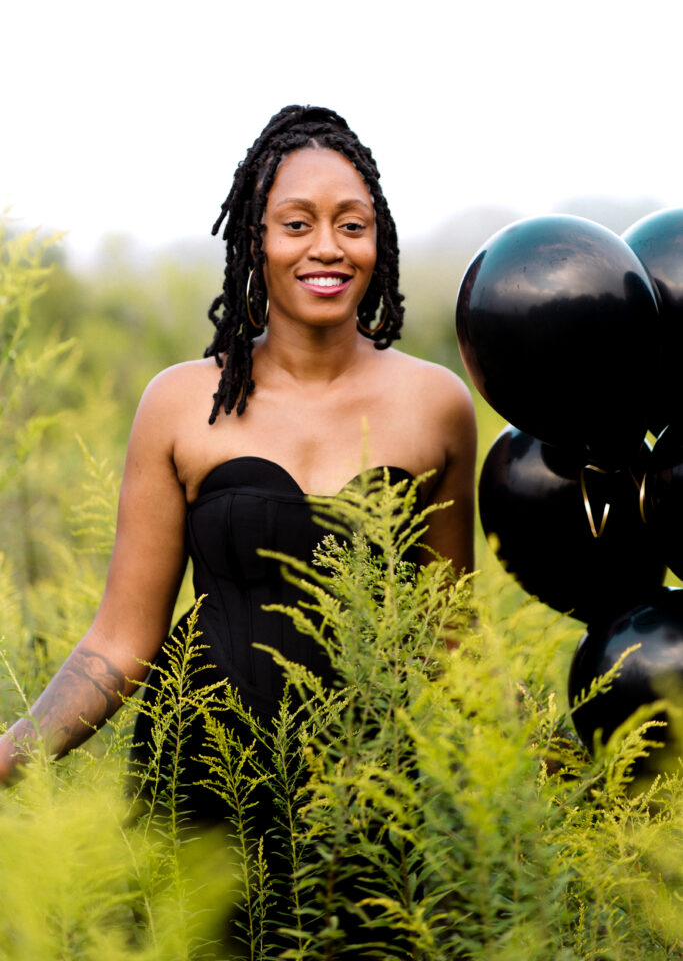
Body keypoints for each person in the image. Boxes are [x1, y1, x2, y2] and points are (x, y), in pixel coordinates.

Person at [0, 105, 476, 807]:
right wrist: (16, 752)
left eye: (351, 224)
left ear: (379, 242)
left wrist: (565, 762)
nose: (327, 248)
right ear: (255, 240)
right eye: (296, 224)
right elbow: (121, 638)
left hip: (376, 815)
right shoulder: (180, 403)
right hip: (201, 793)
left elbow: (450, 641)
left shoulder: (435, 406)